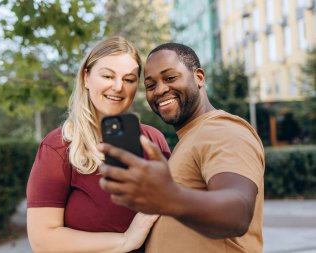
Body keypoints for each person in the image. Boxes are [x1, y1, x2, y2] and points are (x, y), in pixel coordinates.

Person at [98, 43, 265, 253]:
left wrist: (169, 198)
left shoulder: (222, 130)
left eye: (170, 78)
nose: (160, 90)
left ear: (199, 77)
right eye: (150, 86)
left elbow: (238, 212)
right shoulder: (189, 138)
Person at [26, 36, 171, 253]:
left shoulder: (153, 140)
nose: (118, 87)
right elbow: (42, 240)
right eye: (107, 76)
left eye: (129, 79)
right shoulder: (59, 147)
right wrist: (126, 240)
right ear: (86, 77)